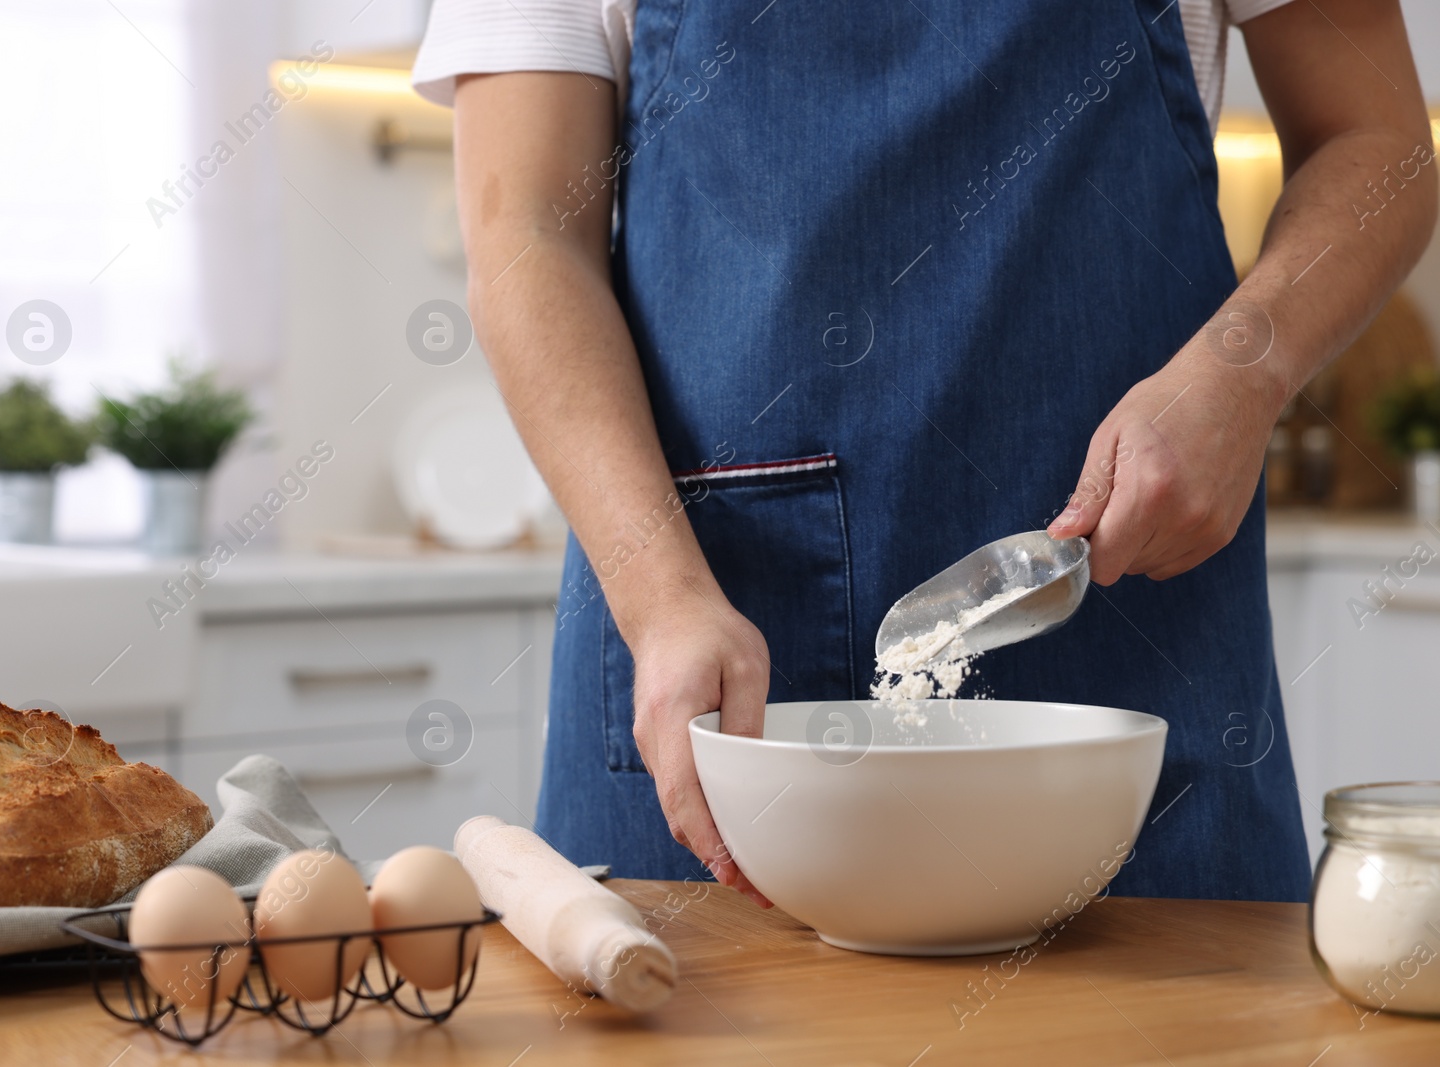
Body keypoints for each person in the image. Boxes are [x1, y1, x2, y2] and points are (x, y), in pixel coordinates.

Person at [412, 0, 1436, 904]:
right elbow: (525, 234)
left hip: (1130, 620)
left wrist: (1243, 371)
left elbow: (1376, 137)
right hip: (709, 634)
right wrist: (660, 592)